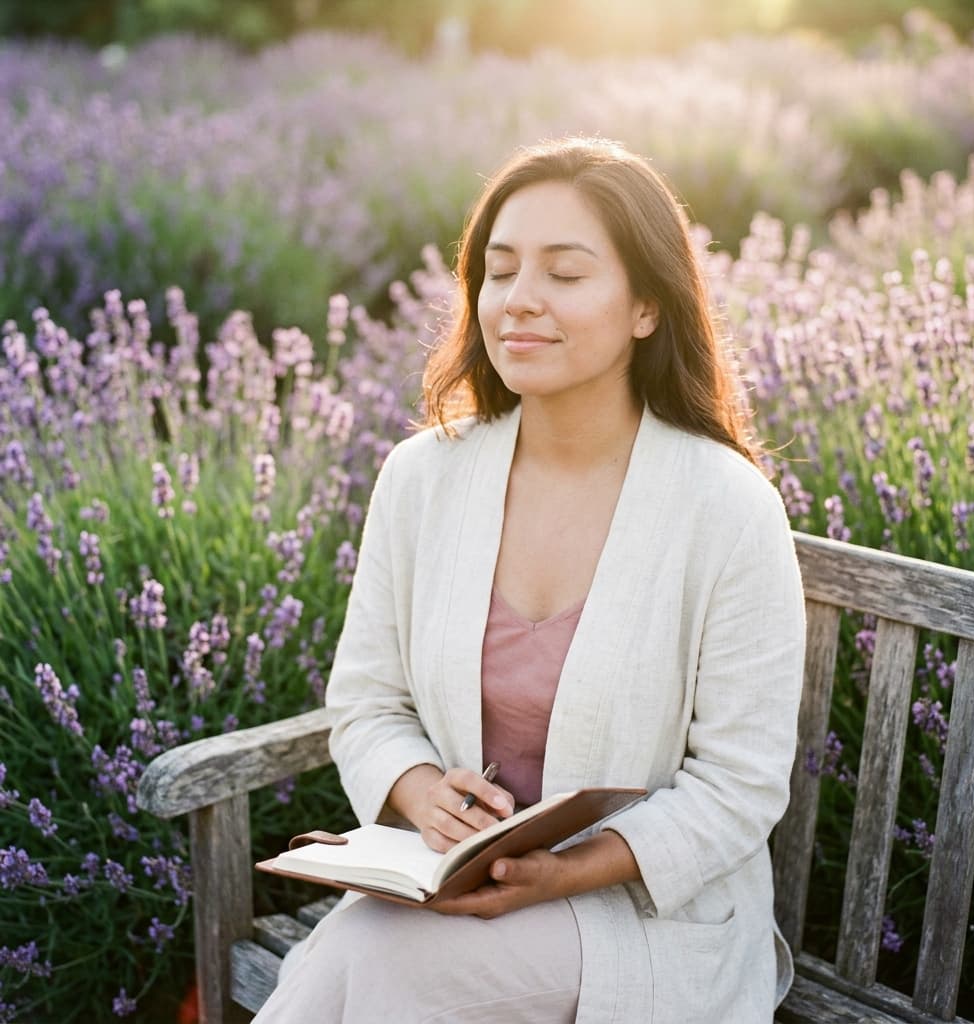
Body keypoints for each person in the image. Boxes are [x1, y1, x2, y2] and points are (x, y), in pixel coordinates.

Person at [253, 136, 806, 1023]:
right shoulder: (422, 478)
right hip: (443, 895)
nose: (518, 300)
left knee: (366, 962)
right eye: (499, 270)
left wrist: (563, 872)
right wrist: (421, 792)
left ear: (647, 307)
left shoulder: (727, 508)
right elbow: (367, 702)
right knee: (368, 955)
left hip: (643, 918)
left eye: (566, 273)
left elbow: (740, 784)